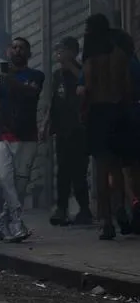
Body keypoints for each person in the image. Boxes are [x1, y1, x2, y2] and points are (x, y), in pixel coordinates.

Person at [80, 14, 133, 239]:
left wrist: (83, 111)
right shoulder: (120, 54)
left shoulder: (92, 55)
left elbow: (88, 86)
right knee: (118, 166)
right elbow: (128, 88)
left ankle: (106, 220)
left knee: (101, 168)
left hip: (99, 112)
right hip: (120, 111)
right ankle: (121, 207)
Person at [0, 37, 44, 242]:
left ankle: (4, 223)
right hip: (5, 135)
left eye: (22, 48)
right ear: (8, 52)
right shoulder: (0, 80)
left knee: (19, 186)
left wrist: (10, 80)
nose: (18, 51)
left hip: (28, 136)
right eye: (14, 47)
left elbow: (32, 93)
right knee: (5, 179)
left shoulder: (36, 75)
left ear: (28, 54)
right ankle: (18, 223)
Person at [44, 36, 91, 226]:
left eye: (62, 50)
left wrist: (70, 64)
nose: (58, 54)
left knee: (79, 170)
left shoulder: (81, 72)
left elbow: (85, 86)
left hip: (79, 129)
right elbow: (53, 101)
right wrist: (46, 123)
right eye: (56, 50)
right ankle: (61, 209)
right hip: (62, 129)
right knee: (62, 171)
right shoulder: (57, 76)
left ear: (72, 51)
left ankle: (84, 209)